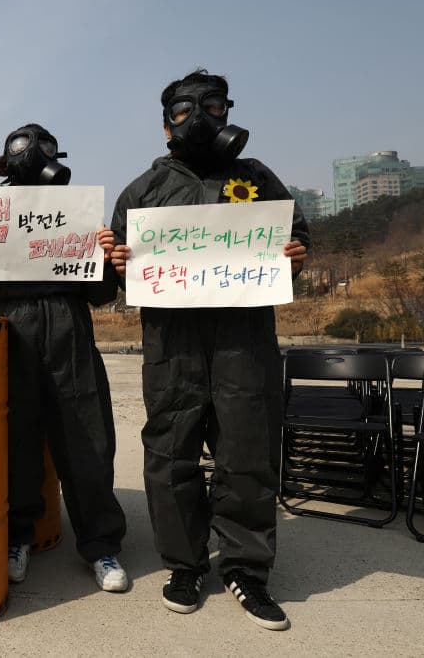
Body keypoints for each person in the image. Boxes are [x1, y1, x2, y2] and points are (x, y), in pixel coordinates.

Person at [108, 69, 309, 631]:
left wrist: (295, 254)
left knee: (246, 451)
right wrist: (117, 263)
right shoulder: (143, 191)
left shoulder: (255, 177)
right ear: (166, 121)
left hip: (244, 339)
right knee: (170, 452)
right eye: (184, 109)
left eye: (213, 105)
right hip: (171, 342)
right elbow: (115, 268)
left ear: (227, 111)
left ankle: (247, 569)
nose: (199, 117)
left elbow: (299, 236)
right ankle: (185, 564)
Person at [0, 124, 129, 591]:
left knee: (87, 438)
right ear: (7, 161)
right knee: (16, 441)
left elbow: (102, 293)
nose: (32, 153)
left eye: (43, 146)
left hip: (69, 327)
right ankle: (17, 536)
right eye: (23, 147)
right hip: (9, 329)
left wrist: (106, 259)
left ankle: (101, 545)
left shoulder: (75, 213)